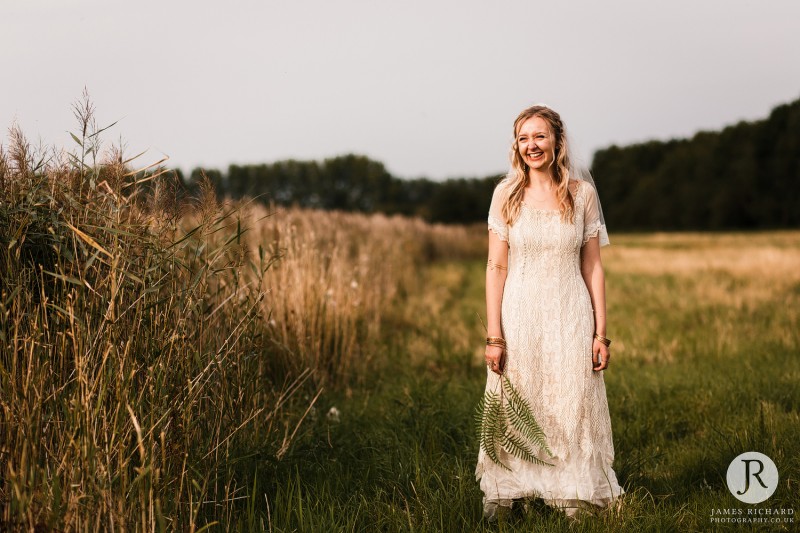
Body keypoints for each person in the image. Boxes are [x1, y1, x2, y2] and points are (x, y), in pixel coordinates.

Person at [475, 104, 624, 520]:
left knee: (570, 400)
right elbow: (496, 266)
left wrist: (600, 333)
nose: (531, 145)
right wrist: (494, 335)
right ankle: (511, 490)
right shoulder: (506, 193)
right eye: (523, 138)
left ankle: (573, 491)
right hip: (519, 313)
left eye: (539, 136)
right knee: (518, 399)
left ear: (557, 140)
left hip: (569, 312)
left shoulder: (582, 194)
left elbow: (592, 265)